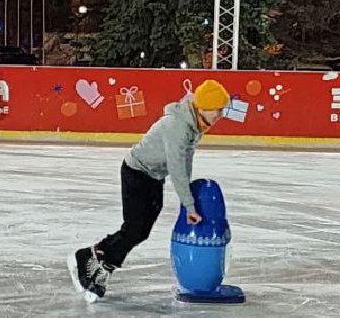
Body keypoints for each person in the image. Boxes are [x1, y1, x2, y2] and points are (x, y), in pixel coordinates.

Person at [70, 80, 232, 303]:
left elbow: (185, 161)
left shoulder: (194, 125)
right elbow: (176, 168)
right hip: (136, 173)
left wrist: (189, 196)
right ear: (204, 107)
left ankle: (96, 256)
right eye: (218, 109)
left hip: (153, 177)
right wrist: (189, 205)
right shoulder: (178, 126)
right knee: (134, 228)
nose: (221, 114)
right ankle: (96, 259)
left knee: (141, 231)